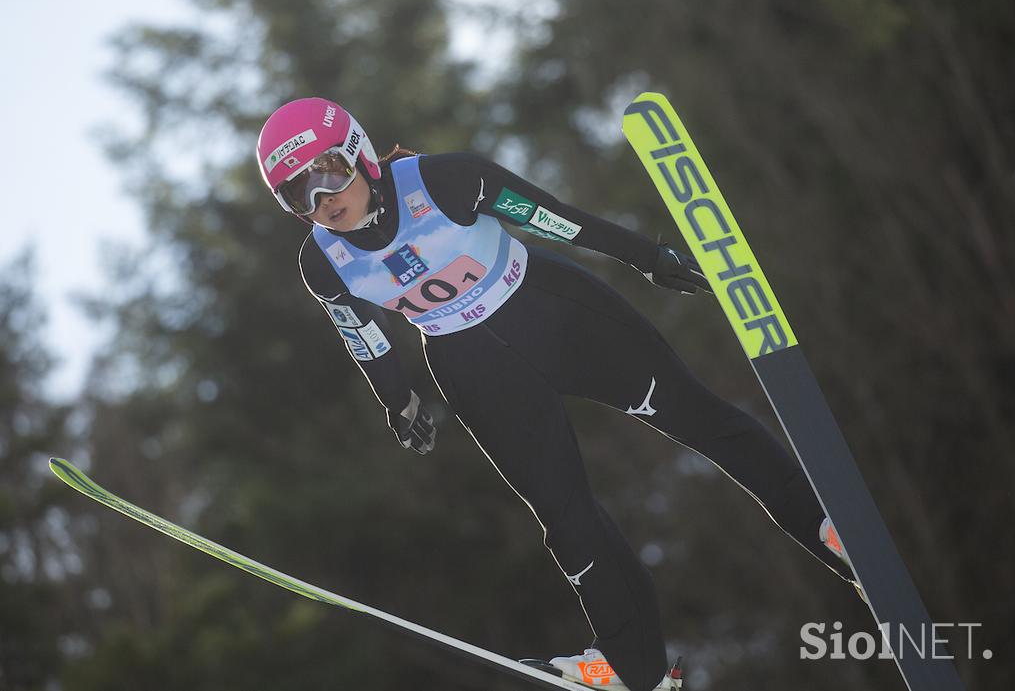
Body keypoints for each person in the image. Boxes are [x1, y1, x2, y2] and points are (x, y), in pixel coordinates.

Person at [256, 97, 856, 691]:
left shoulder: (446, 179)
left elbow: (554, 218)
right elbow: (363, 337)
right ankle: (636, 667)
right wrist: (398, 401)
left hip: (556, 314)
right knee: (565, 517)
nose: (321, 201)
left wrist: (647, 257)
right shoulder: (322, 263)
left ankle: (827, 530)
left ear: (360, 155)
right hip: (474, 368)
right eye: (296, 194)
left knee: (696, 417)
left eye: (327, 175)